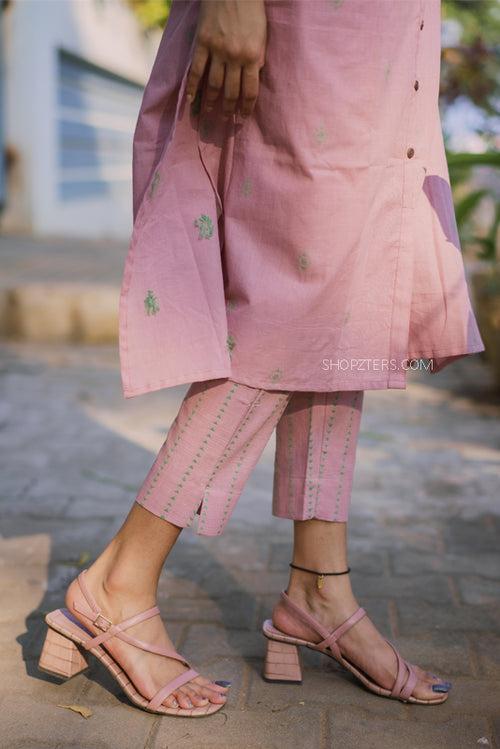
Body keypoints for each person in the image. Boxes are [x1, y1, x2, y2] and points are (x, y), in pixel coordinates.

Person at [38, 0, 484, 716]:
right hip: (307, 19)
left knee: (347, 281)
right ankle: (118, 581)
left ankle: (318, 584)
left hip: (386, 26)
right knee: (290, 290)